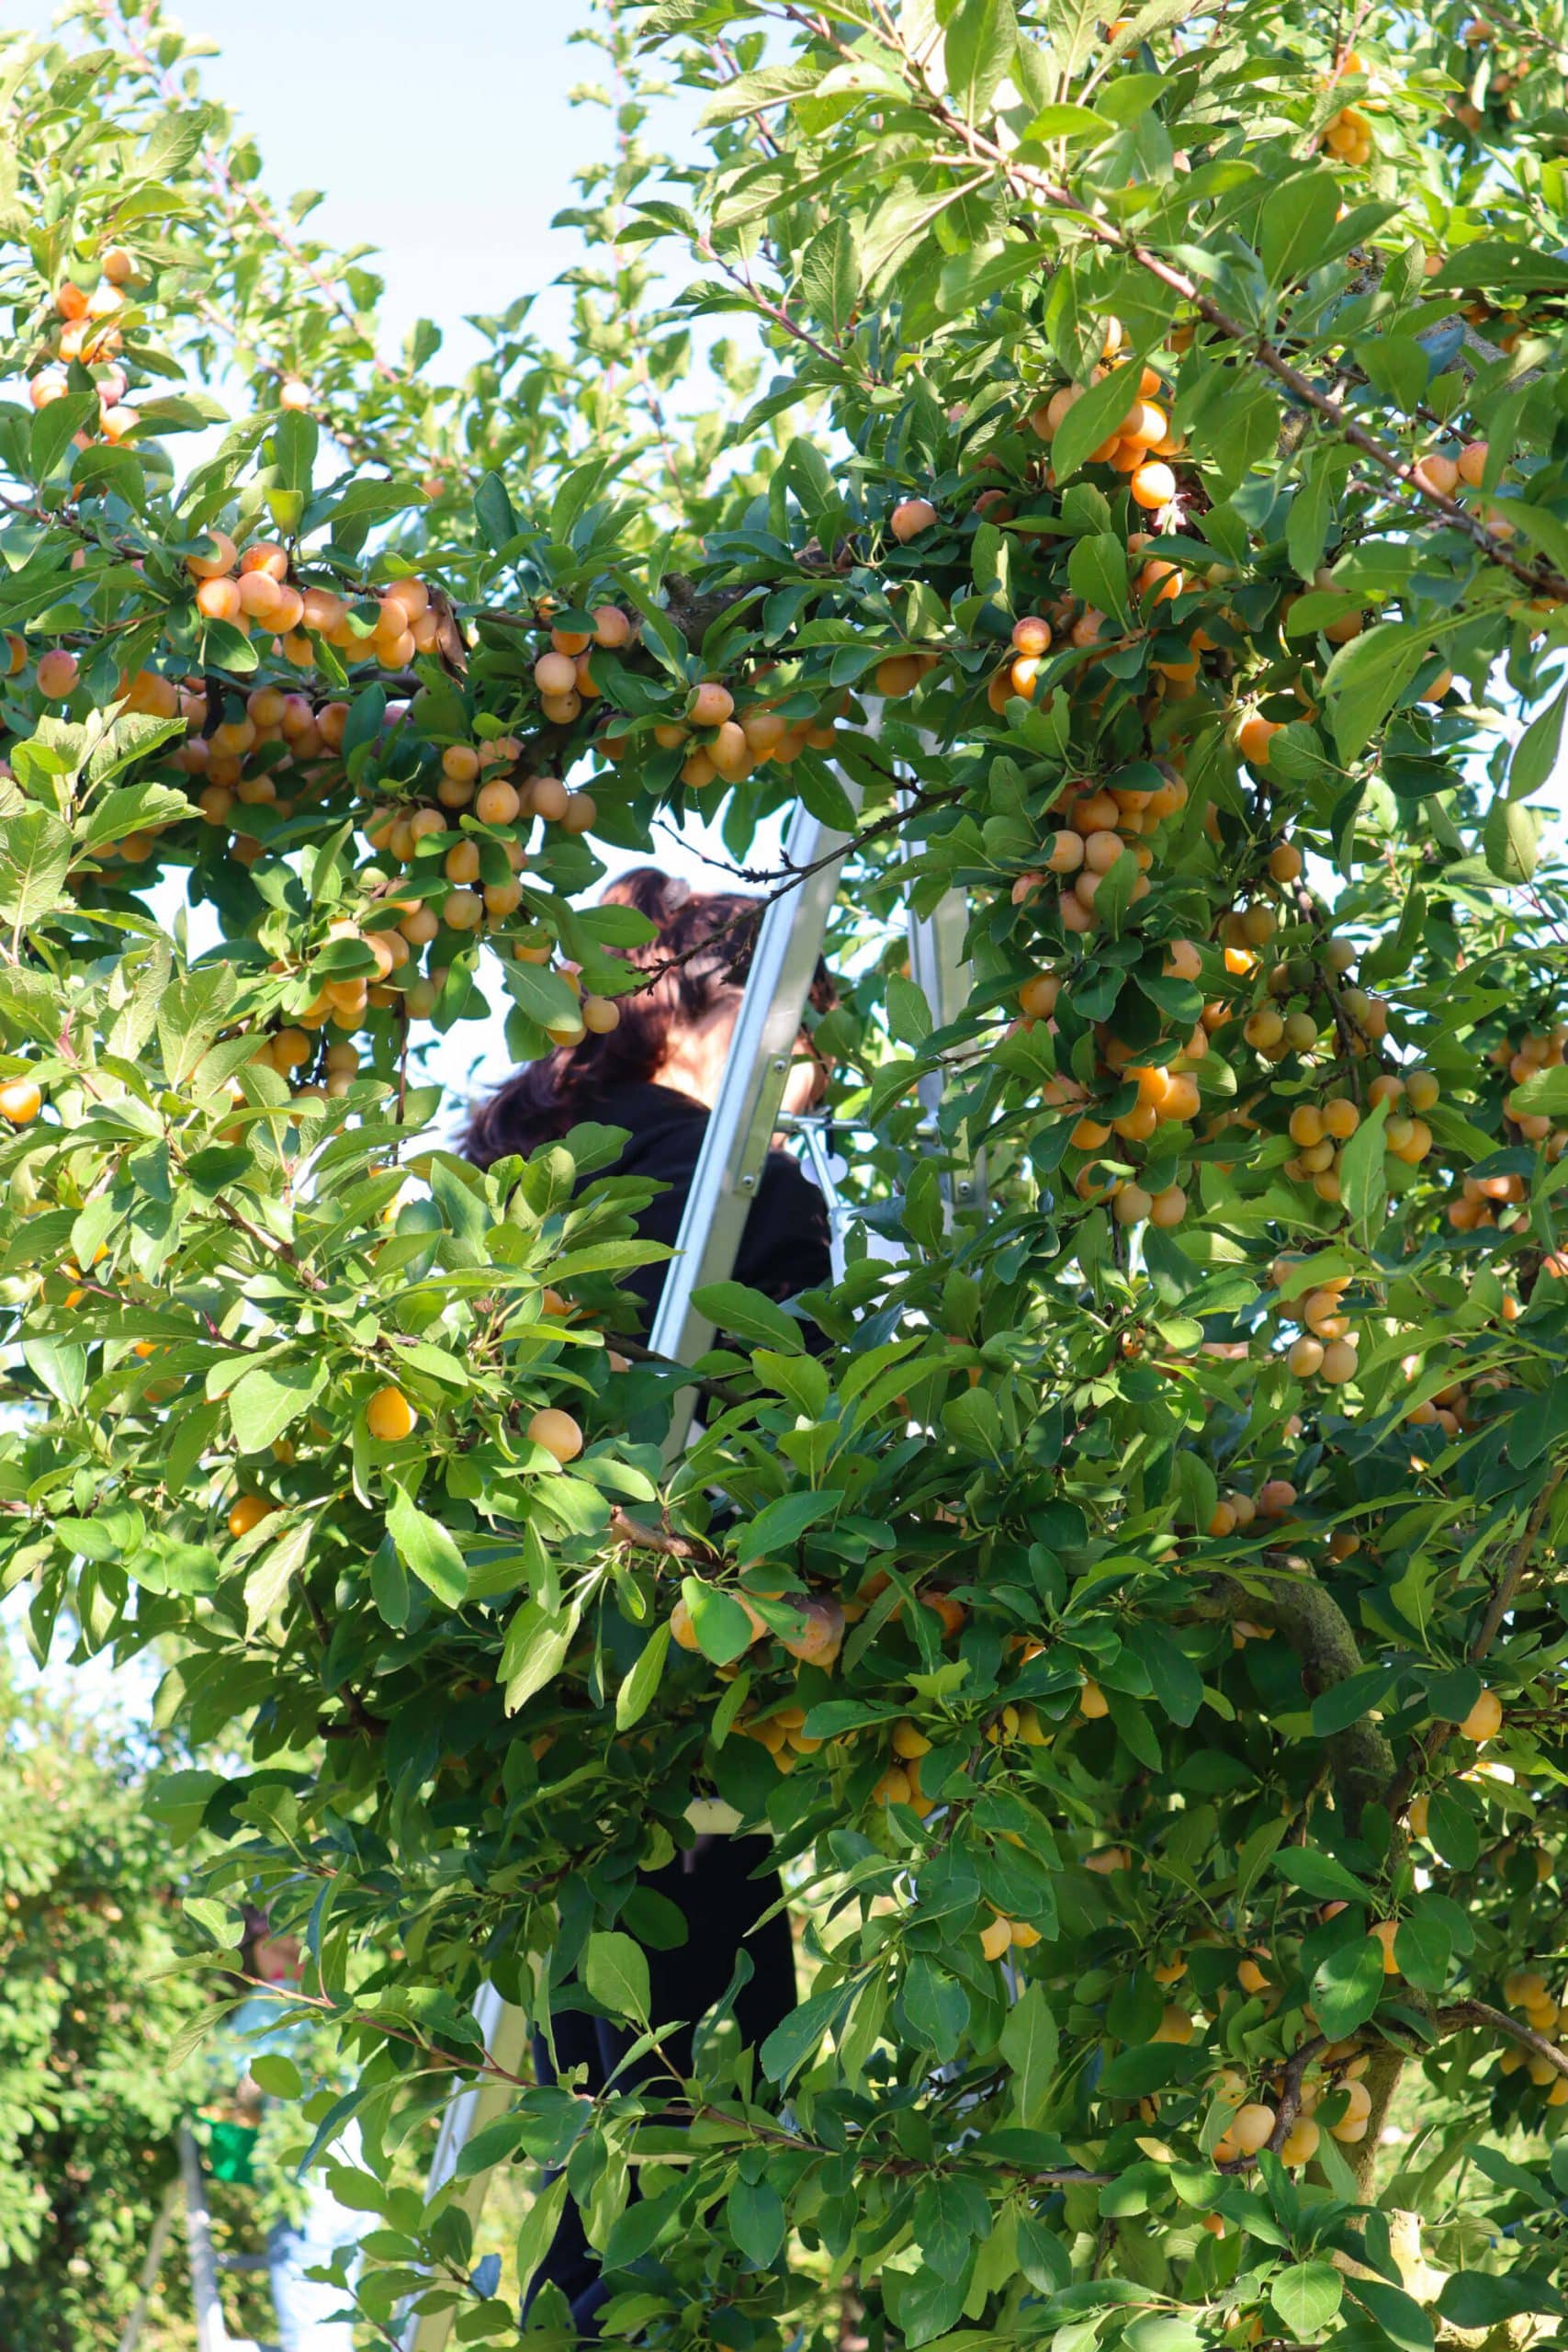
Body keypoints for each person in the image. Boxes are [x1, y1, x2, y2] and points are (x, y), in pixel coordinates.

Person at [463, 867, 835, 2335]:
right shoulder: (740, 1186)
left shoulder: (534, 1161)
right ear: (700, 1016)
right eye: (796, 1020)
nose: (813, 1060)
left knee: (604, 2102)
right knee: (717, 2102)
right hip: (694, 1674)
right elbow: (787, 1437)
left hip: (537, 1675)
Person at [212, 1907, 362, 2352]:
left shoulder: (266, 2005)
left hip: (306, 2197)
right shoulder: (337, 2005)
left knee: (309, 2337)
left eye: (290, 1945)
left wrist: (244, 2089)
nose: (285, 1955)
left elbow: (228, 2076)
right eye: (275, 1946)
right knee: (336, 2328)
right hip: (354, 2193)